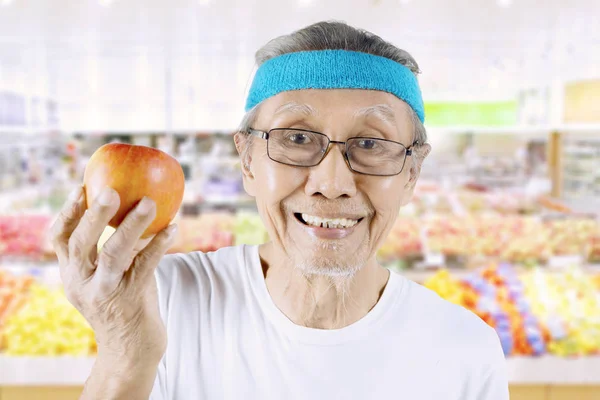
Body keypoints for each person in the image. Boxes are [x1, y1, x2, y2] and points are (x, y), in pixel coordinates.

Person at [51, 21, 508, 400]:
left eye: (371, 143)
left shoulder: (464, 351)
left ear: (411, 173)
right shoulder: (161, 301)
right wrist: (125, 352)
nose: (332, 184)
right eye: (296, 138)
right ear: (248, 162)